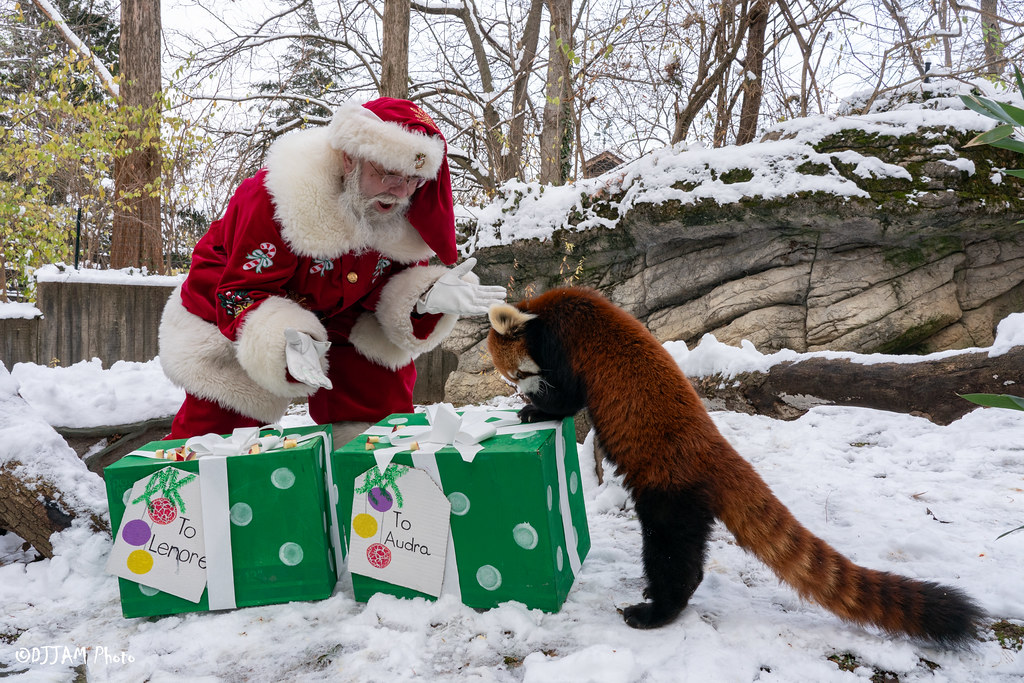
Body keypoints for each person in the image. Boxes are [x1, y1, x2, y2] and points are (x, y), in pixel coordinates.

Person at [159, 97, 506, 441]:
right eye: (388, 174)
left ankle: (372, 484)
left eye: (414, 179)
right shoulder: (275, 196)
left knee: (381, 414)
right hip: (232, 309)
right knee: (220, 432)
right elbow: (241, 290)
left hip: (342, 313)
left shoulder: (403, 210)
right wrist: (286, 344)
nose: (401, 192)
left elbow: (391, 287)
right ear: (349, 158)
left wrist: (425, 298)